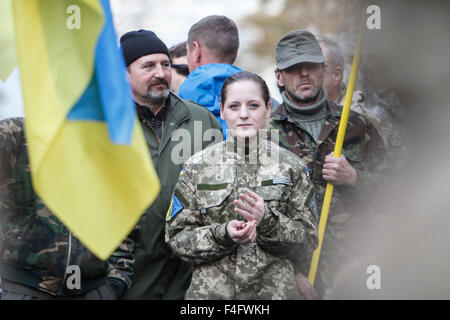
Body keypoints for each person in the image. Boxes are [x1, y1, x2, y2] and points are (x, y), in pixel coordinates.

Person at [166, 71, 318, 299]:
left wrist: (267, 220)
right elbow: (177, 238)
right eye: (234, 106)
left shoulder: (291, 167)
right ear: (223, 110)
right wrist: (222, 234)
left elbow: (307, 241)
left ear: (268, 109)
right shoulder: (196, 167)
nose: (244, 114)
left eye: (253, 106)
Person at [269, 30, 388, 299]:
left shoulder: (357, 125)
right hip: (292, 280)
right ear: (279, 76)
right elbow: (254, 217)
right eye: (293, 68)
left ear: (323, 69)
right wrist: (288, 272)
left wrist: (356, 178)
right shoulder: (264, 136)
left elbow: (399, 196)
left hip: (354, 274)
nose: (303, 74)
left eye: (310, 65)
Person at [119, 30, 223, 300]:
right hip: (128, 274)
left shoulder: (201, 121)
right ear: (124, 74)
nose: (160, 73)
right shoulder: (108, 126)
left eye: (165, 64)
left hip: (190, 277)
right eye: (148, 66)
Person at [0, 117, 135, 300]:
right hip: (24, 287)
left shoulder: (108, 145)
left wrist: (116, 280)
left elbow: (126, 213)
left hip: (93, 288)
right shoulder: (15, 133)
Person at [179, 15, 279, 137]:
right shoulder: (268, 104)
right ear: (235, 52)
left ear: (196, 50)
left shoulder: (172, 105)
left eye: (187, 51)